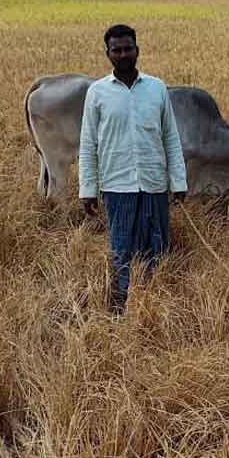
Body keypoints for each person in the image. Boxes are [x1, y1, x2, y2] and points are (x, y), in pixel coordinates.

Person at [79, 24, 188, 314]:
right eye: (117, 49)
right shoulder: (97, 93)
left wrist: (178, 181)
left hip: (153, 184)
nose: (123, 54)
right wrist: (87, 189)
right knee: (122, 250)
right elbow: (88, 145)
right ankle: (124, 307)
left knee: (157, 247)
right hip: (117, 186)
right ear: (108, 54)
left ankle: (156, 305)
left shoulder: (157, 88)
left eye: (128, 48)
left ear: (137, 50)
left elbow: (171, 138)